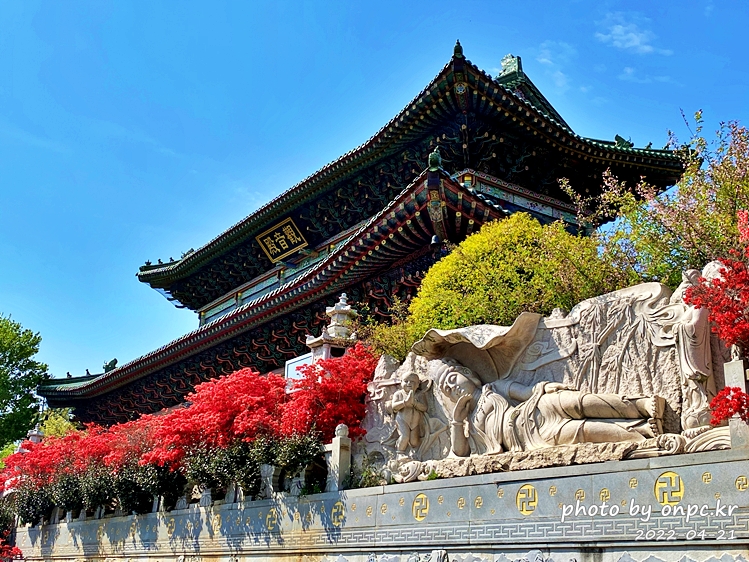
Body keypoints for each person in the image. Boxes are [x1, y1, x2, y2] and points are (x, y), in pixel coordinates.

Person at [433, 359, 663, 457]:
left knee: (580, 402)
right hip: (532, 436)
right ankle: (642, 432)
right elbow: (460, 453)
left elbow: (526, 392)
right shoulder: (471, 424)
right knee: (584, 430)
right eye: (447, 389)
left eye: (453, 379)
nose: (453, 388)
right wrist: (457, 420)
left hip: (536, 408)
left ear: (467, 373)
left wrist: (545, 387)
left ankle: (641, 405)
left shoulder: (494, 388)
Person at [389, 372, 429, 458]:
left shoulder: (419, 395)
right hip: (402, 419)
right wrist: (405, 403)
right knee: (405, 436)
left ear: (418, 384)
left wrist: (415, 403)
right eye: (406, 381)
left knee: (415, 441)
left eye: (412, 381)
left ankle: (413, 453)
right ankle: (400, 453)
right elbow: (394, 406)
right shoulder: (399, 394)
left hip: (415, 421)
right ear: (401, 382)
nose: (409, 383)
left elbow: (424, 407)